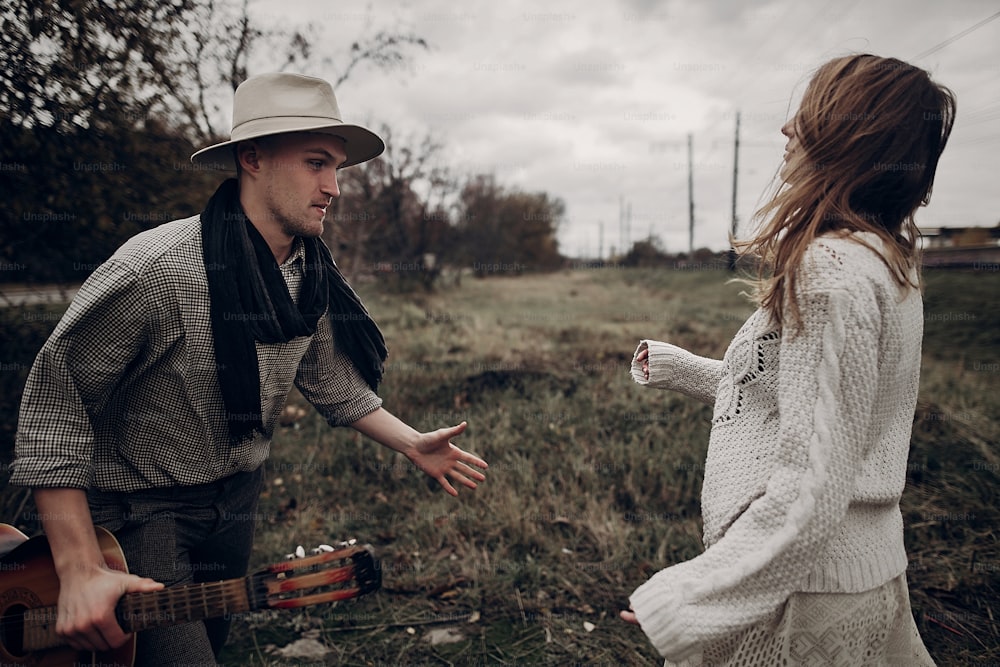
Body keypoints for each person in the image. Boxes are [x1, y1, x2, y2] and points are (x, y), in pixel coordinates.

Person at [10, 72, 488, 665]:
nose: (333, 187)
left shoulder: (307, 269)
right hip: (139, 512)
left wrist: (412, 443)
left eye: (337, 168)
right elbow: (55, 401)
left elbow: (326, 376)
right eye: (316, 163)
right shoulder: (156, 270)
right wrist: (79, 568)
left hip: (235, 501)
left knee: (210, 644)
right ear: (252, 158)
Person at [619, 54, 955, 665]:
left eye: (808, 115)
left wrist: (692, 596)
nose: (786, 130)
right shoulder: (887, 262)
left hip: (804, 592)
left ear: (850, 135)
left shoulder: (832, 270)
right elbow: (809, 398)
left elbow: (812, 486)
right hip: (863, 567)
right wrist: (678, 367)